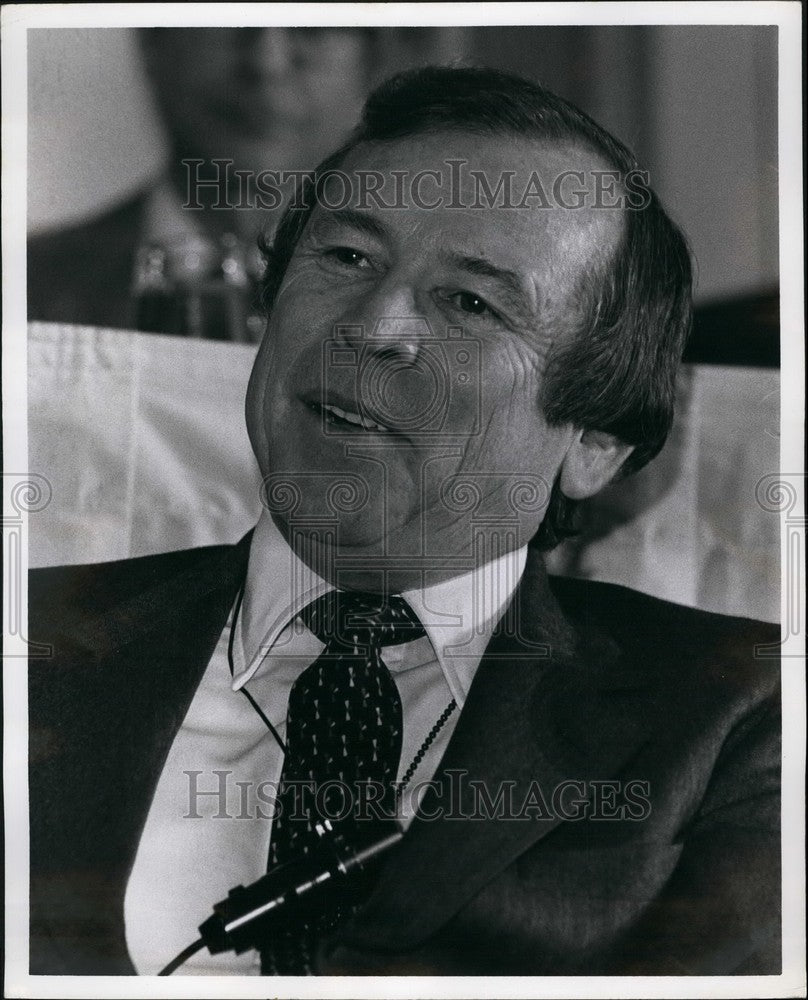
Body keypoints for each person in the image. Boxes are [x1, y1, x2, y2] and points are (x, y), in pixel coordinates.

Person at [28, 65, 780, 977]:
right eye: (346, 258)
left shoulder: (738, 718)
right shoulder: (35, 649)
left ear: (593, 442)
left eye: (470, 303)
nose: (374, 325)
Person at [26, 27, 371, 336]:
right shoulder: (24, 286)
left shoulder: (398, 299)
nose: (268, 63)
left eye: (313, 28)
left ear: (370, 66)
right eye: (226, 17)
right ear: (151, 41)